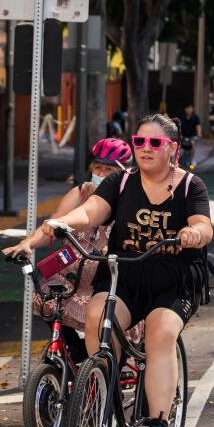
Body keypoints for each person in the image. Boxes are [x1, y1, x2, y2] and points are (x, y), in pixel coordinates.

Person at [2, 115, 211, 427]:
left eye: (155, 143)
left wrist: (193, 234)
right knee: (98, 319)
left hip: (172, 282)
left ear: (172, 149)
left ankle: (157, 421)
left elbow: (204, 225)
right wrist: (56, 225)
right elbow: (90, 211)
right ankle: (103, 389)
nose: (145, 149)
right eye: (139, 142)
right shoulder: (121, 182)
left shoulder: (190, 186)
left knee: (160, 333)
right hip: (123, 275)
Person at [11, 138, 132, 364]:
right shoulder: (81, 192)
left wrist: (113, 247)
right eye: (98, 167)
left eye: (109, 169)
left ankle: (112, 367)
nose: (102, 173)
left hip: (108, 278)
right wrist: (27, 243)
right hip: (74, 275)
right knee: (46, 297)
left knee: (111, 325)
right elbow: (52, 224)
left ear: (123, 172)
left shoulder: (130, 198)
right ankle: (76, 353)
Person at [179, 104, 201, 168]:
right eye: (187, 108)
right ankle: (178, 163)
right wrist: (180, 136)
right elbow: (179, 129)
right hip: (183, 137)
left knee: (192, 143)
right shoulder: (181, 117)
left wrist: (198, 135)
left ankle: (192, 159)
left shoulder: (195, 117)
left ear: (192, 109)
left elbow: (198, 128)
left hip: (192, 137)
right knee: (181, 151)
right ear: (185, 109)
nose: (189, 110)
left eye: (190, 108)